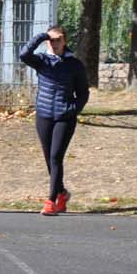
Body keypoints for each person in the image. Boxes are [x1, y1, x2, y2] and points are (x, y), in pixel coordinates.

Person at [19, 24, 89, 215]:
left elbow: (83, 92)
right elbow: (23, 54)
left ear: (65, 41)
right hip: (43, 115)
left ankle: (51, 201)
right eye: (52, 40)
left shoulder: (74, 64)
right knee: (49, 159)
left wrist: (73, 109)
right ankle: (62, 193)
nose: (55, 43)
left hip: (64, 117)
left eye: (58, 39)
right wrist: (42, 37)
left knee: (56, 157)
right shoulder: (42, 61)